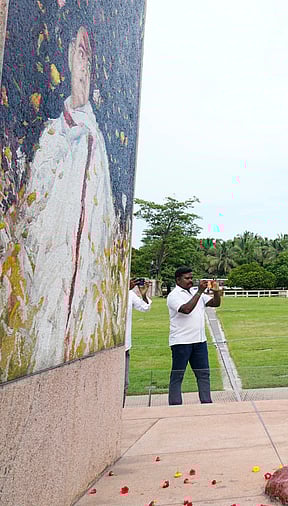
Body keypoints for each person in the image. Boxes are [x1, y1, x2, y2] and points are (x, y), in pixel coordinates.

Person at [14, 25, 125, 374]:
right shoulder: (55, 131)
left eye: (88, 56)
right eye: (78, 53)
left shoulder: (97, 137)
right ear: (66, 58)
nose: (84, 64)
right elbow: (33, 202)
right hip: (52, 269)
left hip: (86, 281)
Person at [166, 267, 223, 405]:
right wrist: (199, 292)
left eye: (191, 278)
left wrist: (216, 292)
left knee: (203, 374)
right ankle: (175, 406)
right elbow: (186, 309)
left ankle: (206, 403)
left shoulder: (194, 292)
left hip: (199, 341)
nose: (190, 281)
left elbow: (215, 303)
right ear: (178, 280)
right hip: (181, 342)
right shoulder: (174, 295)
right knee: (178, 375)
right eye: (187, 278)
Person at [123, 278, 151, 406]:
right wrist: (124, 289)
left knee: (124, 383)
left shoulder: (130, 294)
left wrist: (143, 294)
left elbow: (145, 307)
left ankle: (121, 410)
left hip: (125, 345)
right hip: (112, 346)